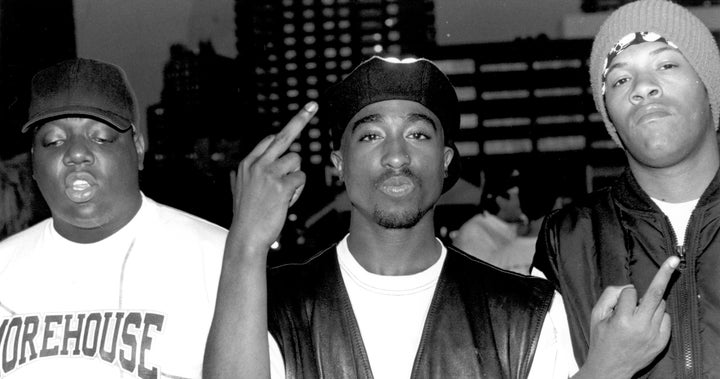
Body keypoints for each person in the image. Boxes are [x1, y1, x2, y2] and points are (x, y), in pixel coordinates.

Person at [204, 56, 678, 379]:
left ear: (446, 160)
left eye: (417, 135)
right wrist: (245, 243)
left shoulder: (525, 311)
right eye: (370, 137)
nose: (395, 156)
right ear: (338, 162)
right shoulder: (269, 302)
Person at [0, 58, 227, 378]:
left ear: (138, 148)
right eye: (53, 141)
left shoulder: (220, 257)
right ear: (34, 162)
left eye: (101, 137)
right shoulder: (3, 270)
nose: (76, 153)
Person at [532, 0, 720, 377]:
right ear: (610, 117)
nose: (643, 88)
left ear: (709, 86)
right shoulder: (568, 240)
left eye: (666, 65)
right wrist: (606, 367)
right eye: (619, 79)